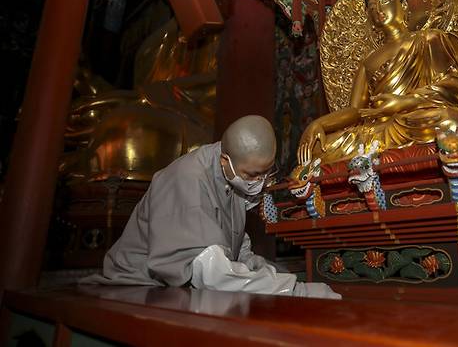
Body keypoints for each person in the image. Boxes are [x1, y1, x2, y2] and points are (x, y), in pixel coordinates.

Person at [82, 115, 339, 299]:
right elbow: (213, 274)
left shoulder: (230, 178)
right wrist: (295, 290)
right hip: (134, 289)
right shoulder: (187, 179)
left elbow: (238, 254)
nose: (259, 183)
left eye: (265, 174)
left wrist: (278, 274)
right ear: (225, 160)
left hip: (183, 285)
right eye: (252, 175)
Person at [297, 0, 458, 165]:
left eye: (386, 2)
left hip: (420, 118)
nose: (379, 10)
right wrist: (319, 124)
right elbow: (355, 111)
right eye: (372, 8)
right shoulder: (368, 62)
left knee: (453, 122)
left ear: (404, 6)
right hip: (381, 128)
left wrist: (404, 102)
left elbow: (455, 86)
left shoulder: (428, 39)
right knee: (320, 149)